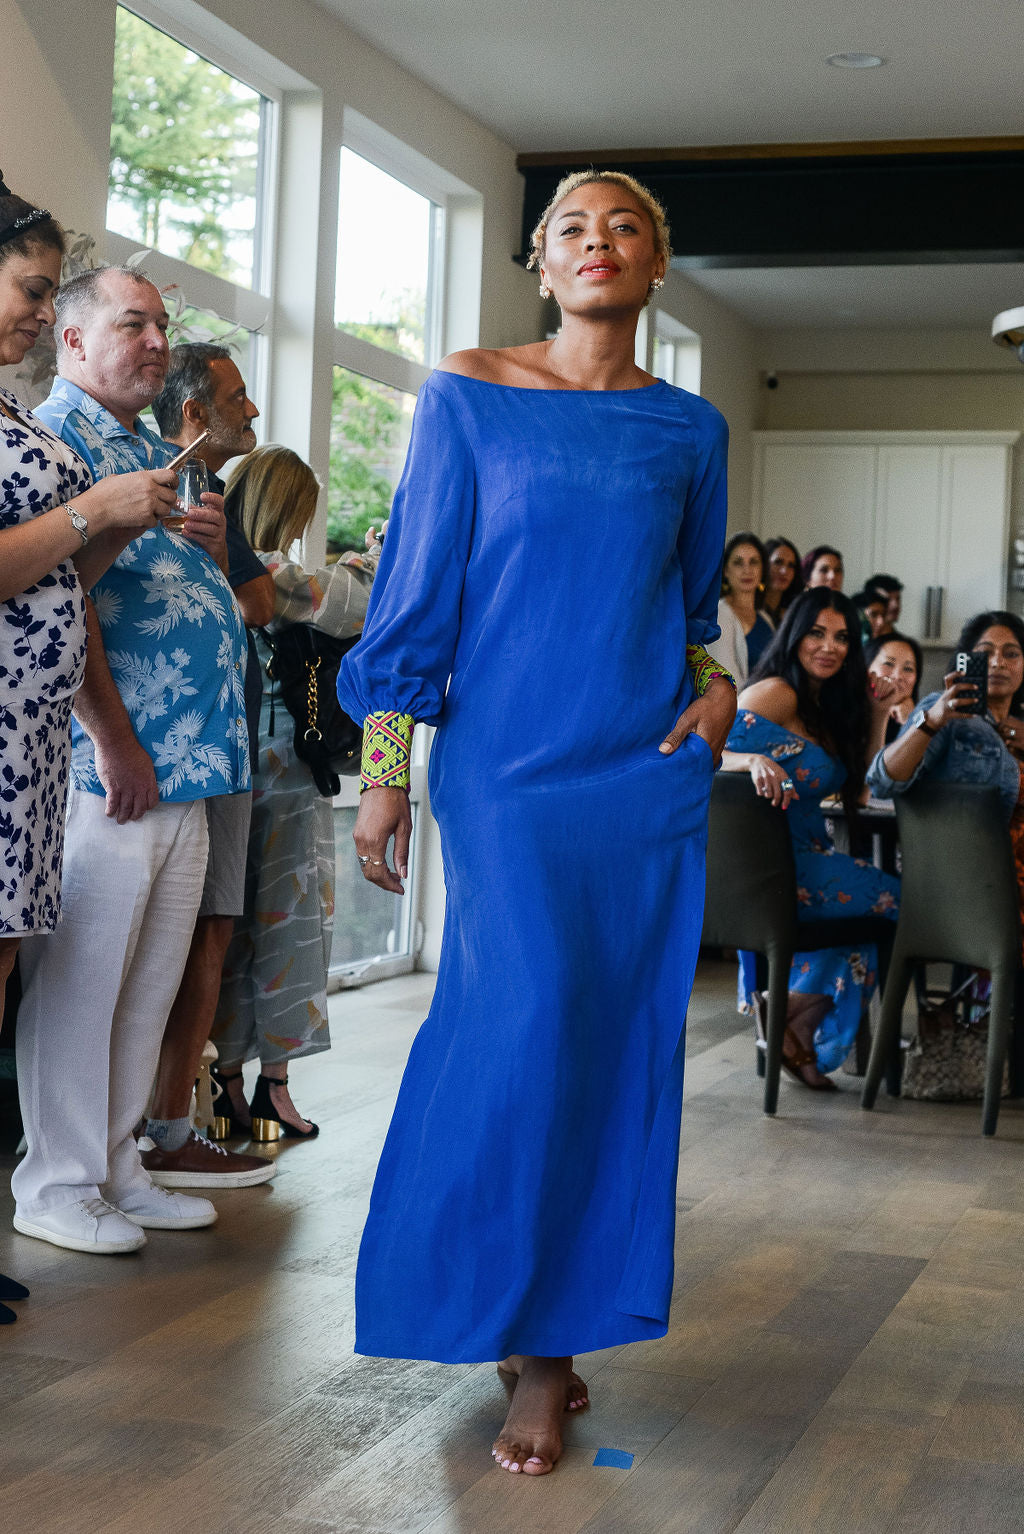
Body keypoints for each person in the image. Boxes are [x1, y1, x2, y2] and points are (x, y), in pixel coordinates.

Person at [337, 169, 736, 1477]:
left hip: (636, 775)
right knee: (522, 1018)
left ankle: (552, 1350)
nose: (599, 242)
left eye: (625, 225)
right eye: (573, 226)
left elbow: (688, 612)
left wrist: (722, 685)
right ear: (541, 265)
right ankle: (489, 1292)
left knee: (611, 1037)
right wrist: (386, 762)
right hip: (504, 772)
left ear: (655, 266)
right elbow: (412, 590)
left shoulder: (690, 430)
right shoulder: (468, 393)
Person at [12, 265, 258, 1257]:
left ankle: (117, 1164)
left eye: (162, 324)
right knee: (83, 979)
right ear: (71, 340)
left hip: (188, 762)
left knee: (146, 981)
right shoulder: (59, 441)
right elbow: (59, 601)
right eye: (133, 323)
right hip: (108, 762)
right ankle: (58, 1178)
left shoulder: (155, 448)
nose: (157, 340)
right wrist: (112, 737)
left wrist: (205, 540)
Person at [0, 178, 177, 1305]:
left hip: (24, 750)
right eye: (27, 289)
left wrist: (114, 526)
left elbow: (59, 581)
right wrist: (90, 512)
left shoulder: (12, 416)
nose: (33, 309)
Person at [138, 343, 278, 1188]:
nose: (252, 413)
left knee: (213, 926)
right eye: (239, 398)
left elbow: (256, 602)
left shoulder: (216, 496)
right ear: (195, 413)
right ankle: (134, 1130)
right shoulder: (139, 484)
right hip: (154, 748)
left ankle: (168, 1124)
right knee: (144, 935)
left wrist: (223, 561)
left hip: (225, 743)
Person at [211, 446, 378, 1138]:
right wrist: (374, 555)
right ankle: (272, 1086)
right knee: (293, 923)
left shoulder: (213, 559)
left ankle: (221, 1080)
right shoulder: (273, 570)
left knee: (227, 927)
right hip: (284, 764)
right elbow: (355, 604)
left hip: (229, 763)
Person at [720, 588, 899, 1088]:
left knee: (867, 922)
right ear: (794, 635)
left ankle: (794, 1018)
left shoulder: (827, 706)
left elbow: (859, 796)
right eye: (817, 633)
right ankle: (793, 1010)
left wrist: (880, 713)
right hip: (771, 868)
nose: (830, 646)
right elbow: (699, 748)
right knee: (899, 898)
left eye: (842, 637)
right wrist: (750, 759)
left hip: (806, 860)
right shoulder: (779, 691)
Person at [867, 613, 1024, 825]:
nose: (998, 662)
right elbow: (881, 784)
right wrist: (932, 720)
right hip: (966, 854)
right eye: (985, 652)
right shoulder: (943, 711)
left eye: (1012, 654)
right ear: (965, 660)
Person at [708, 532, 773, 686]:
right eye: (738, 562)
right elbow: (730, 684)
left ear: (762, 569)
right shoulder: (720, 614)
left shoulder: (765, 616)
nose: (747, 570)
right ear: (726, 571)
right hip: (743, 707)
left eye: (754, 562)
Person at [864, 632, 922, 746]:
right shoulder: (845, 714)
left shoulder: (921, 718)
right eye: (888, 664)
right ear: (866, 668)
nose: (898, 676)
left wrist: (912, 721)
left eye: (908, 669)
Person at [763, 536, 803, 625]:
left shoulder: (794, 615)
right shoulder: (748, 608)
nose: (784, 571)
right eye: (778, 562)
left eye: (791, 565)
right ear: (764, 564)